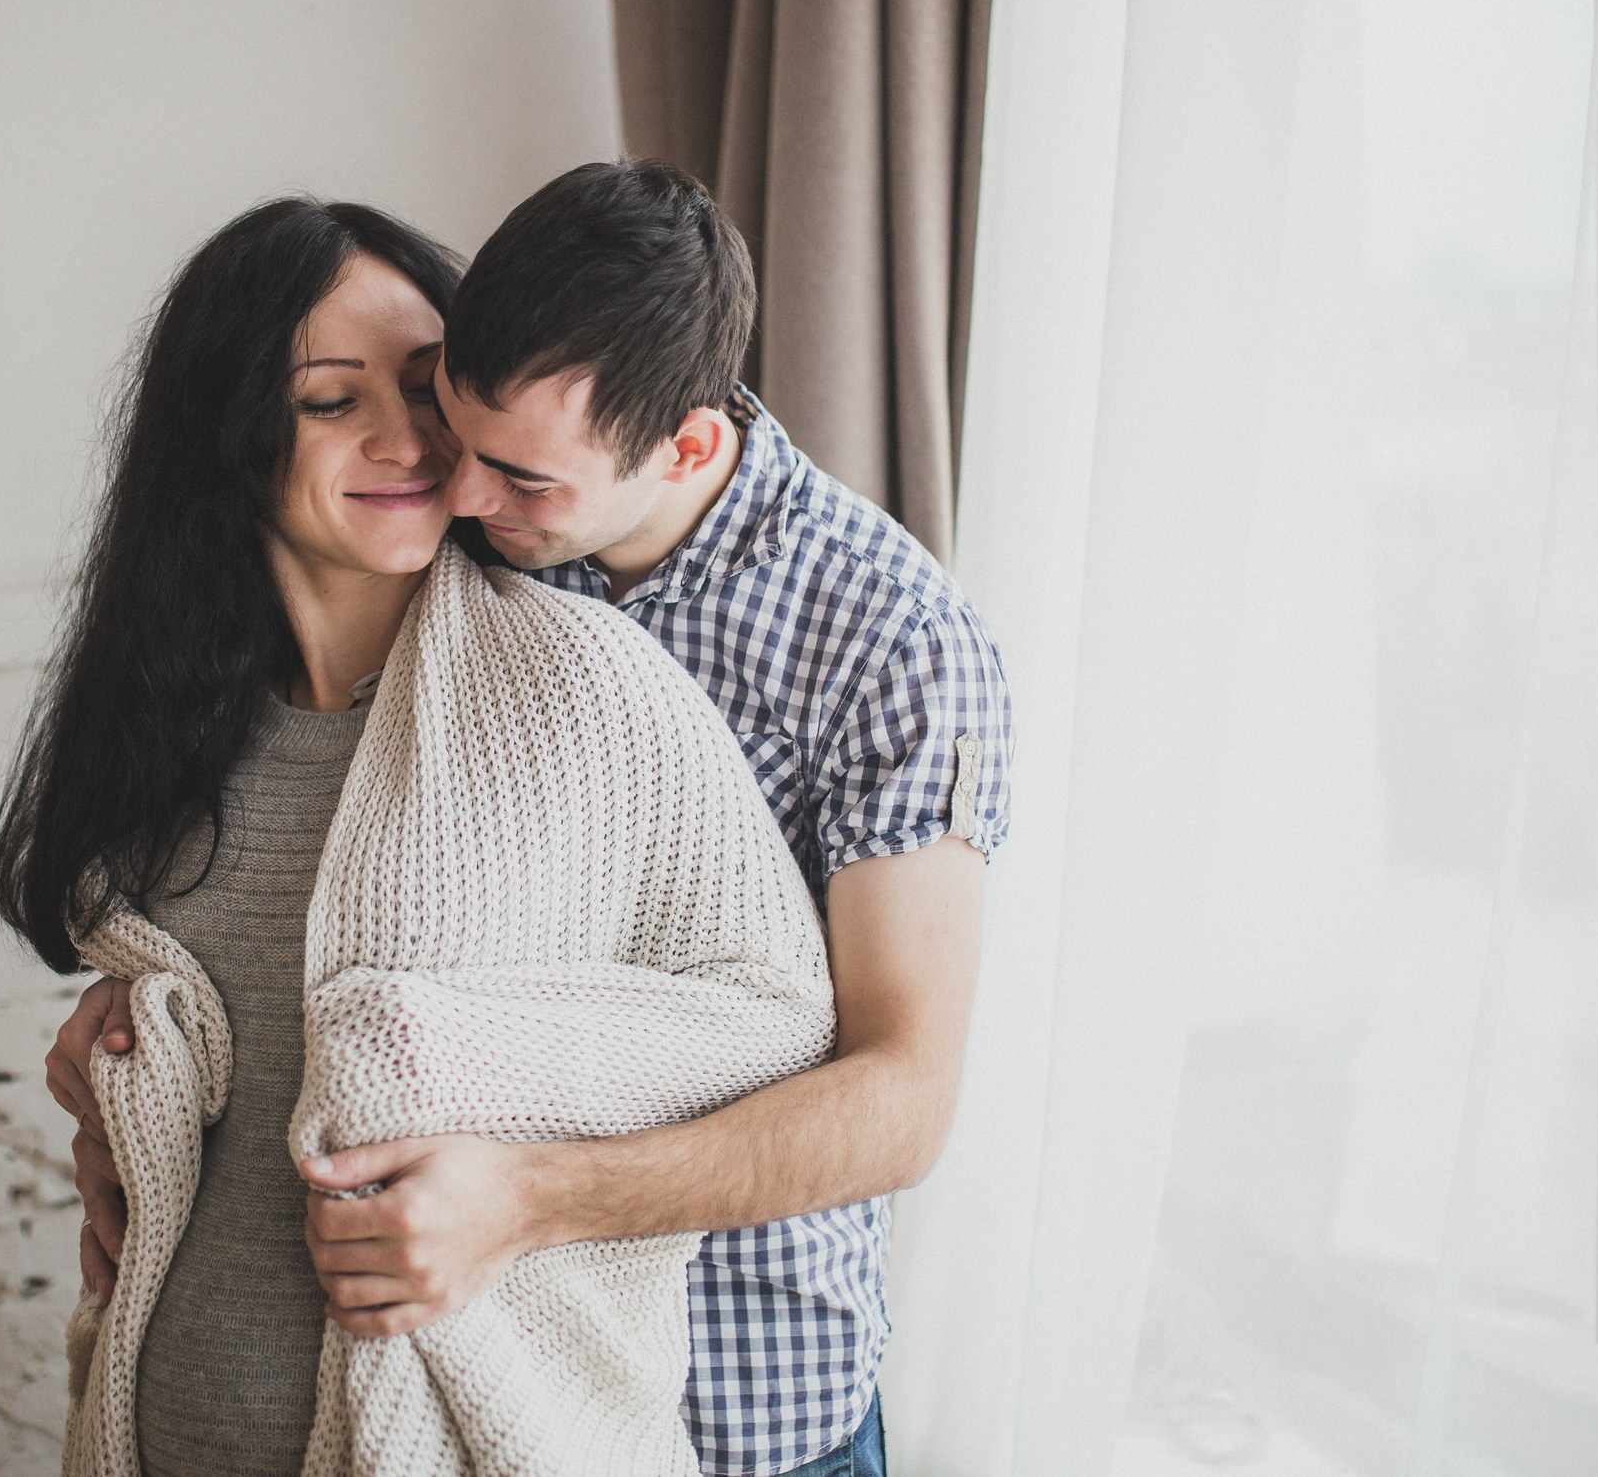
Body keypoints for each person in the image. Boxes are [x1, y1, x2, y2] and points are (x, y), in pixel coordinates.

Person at [52, 160, 1013, 1477]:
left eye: (519, 480)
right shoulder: (417, 573)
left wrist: (528, 1201)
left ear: (683, 445)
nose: (460, 495)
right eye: (450, 428)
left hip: (742, 1388)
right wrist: (134, 1036)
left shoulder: (885, 641)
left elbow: (897, 1099)